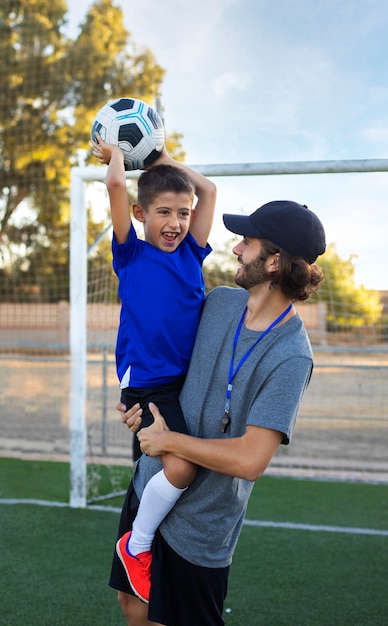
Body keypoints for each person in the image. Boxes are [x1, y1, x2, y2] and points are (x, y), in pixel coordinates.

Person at [110, 199, 326, 626]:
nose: (235, 249)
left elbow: (249, 460)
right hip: (152, 481)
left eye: (247, 242)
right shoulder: (220, 303)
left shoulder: (291, 356)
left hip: (202, 525)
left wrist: (169, 441)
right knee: (134, 609)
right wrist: (139, 406)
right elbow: (163, 356)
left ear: (274, 262)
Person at [92, 133, 216, 603]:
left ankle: (159, 563)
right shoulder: (130, 255)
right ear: (142, 216)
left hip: (188, 388)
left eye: (183, 213)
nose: (176, 222)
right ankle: (136, 546)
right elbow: (117, 189)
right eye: (164, 212)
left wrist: (163, 159)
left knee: (171, 477)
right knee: (181, 466)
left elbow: (211, 193)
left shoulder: (192, 254)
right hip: (147, 390)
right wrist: (121, 155)